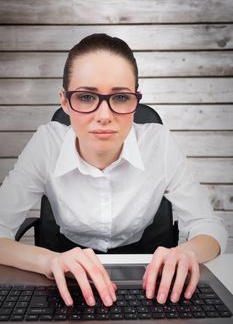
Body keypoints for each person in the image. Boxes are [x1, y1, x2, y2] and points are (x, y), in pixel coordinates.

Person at [0, 34, 227, 308]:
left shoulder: (160, 143)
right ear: (64, 102)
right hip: (66, 271)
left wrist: (188, 252)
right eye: (85, 97)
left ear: (136, 101)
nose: (104, 115)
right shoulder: (46, 144)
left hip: (146, 274)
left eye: (120, 97)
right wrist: (47, 260)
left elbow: (209, 226)